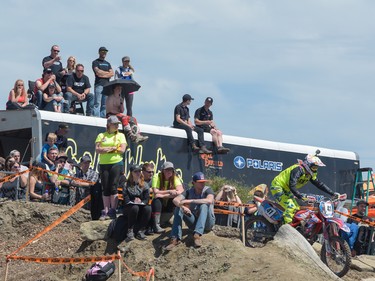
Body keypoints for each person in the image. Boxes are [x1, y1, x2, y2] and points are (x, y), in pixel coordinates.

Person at [270, 154, 339, 224]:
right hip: (278, 186)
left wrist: (332, 193)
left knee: (297, 208)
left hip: (286, 188)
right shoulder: (298, 169)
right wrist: (300, 196)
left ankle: (286, 222)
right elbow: (292, 185)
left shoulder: (310, 174)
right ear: (308, 165)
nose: (315, 170)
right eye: (314, 167)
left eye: (317, 168)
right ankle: (286, 229)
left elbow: (319, 184)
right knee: (291, 207)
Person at [165, 172, 215, 250]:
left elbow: (209, 200)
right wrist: (183, 207)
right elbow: (175, 200)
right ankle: (175, 238)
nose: (203, 184)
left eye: (204, 182)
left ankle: (197, 235)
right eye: (200, 182)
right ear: (193, 183)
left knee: (204, 205)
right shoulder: (188, 191)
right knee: (178, 208)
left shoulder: (208, 190)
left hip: (208, 223)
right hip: (194, 222)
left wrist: (190, 201)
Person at [95, 116, 127, 220]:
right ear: (109, 124)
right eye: (114, 124)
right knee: (105, 187)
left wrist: (111, 149)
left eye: (118, 124)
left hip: (116, 162)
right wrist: (107, 149)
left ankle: (113, 209)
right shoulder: (101, 135)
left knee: (113, 186)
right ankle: (105, 210)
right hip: (104, 163)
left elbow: (122, 149)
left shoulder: (121, 135)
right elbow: (97, 149)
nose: (117, 126)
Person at [151, 161, 184, 233]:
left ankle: (167, 221)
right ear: (163, 170)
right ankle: (156, 225)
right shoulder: (157, 176)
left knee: (176, 199)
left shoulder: (175, 177)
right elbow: (156, 192)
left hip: (167, 203)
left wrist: (164, 195)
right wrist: (169, 191)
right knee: (157, 199)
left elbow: (180, 191)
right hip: (157, 205)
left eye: (171, 169)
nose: (169, 171)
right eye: (167, 170)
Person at [122, 164, 152, 241]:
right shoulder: (126, 184)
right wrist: (133, 201)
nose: (138, 173)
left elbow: (146, 199)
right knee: (135, 207)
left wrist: (141, 201)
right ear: (131, 173)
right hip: (129, 207)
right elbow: (126, 199)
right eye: (136, 171)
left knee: (148, 208)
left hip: (141, 206)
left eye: (139, 171)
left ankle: (141, 231)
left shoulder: (145, 184)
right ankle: (130, 231)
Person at [92, 46, 114, 117]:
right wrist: (107, 74)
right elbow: (97, 72)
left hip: (107, 85)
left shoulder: (108, 63)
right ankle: (96, 117)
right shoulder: (95, 62)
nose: (104, 53)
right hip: (99, 85)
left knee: (104, 104)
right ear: (99, 52)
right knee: (97, 103)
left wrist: (103, 74)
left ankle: (103, 118)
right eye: (103, 51)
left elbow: (112, 73)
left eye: (105, 52)